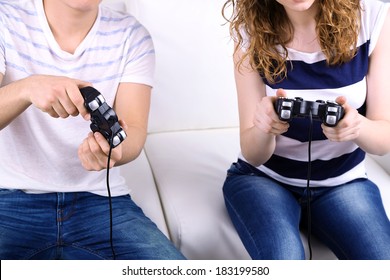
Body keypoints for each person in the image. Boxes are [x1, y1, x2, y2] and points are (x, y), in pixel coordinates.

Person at [0, 0, 185, 260]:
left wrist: (115, 152)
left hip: (99, 201)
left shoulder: (132, 36)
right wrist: (27, 88)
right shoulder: (5, 19)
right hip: (9, 197)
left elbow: (134, 131)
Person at [222, 0, 390, 260]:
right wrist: (265, 127)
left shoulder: (373, 17)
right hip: (263, 179)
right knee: (284, 258)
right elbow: (253, 153)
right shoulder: (249, 30)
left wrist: (357, 127)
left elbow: (384, 139)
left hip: (342, 182)